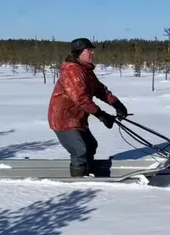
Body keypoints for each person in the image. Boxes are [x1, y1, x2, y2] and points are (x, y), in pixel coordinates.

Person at [48, 38, 128, 177]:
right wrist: (101, 115)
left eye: (92, 51)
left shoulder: (85, 70)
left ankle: (87, 170)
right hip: (64, 118)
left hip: (77, 117)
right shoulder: (72, 71)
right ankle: (79, 180)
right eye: (88, 51)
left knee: (91, 145)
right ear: (78, 53)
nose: (92, 53)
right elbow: (80, 98)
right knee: (80, 150)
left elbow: (99, 89)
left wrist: (116, 104)